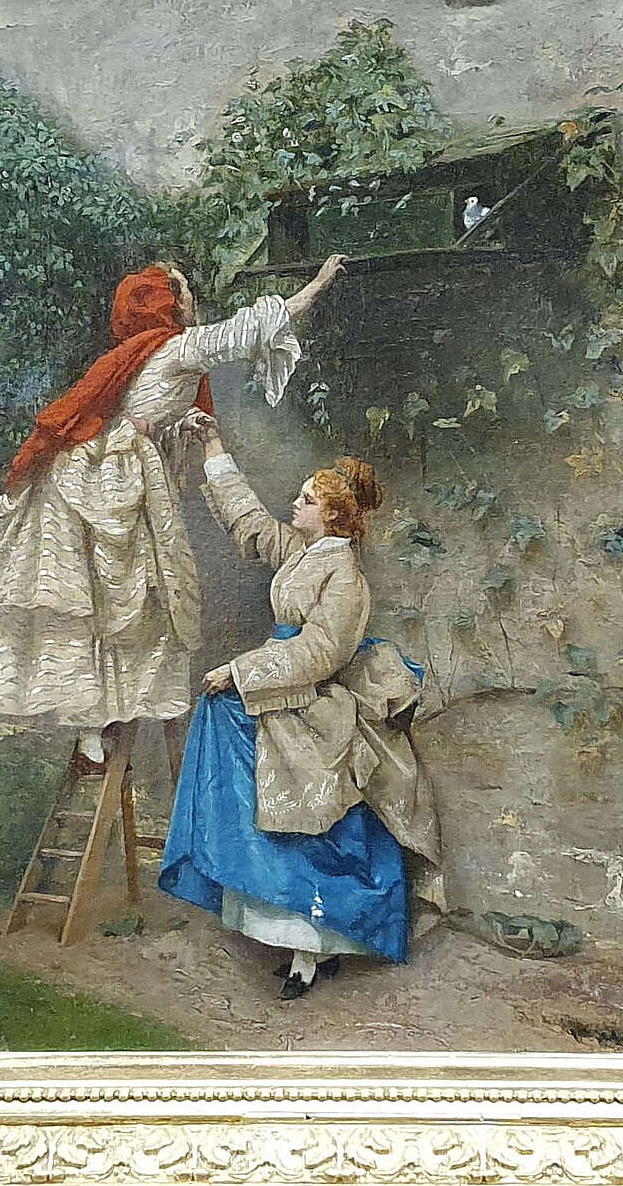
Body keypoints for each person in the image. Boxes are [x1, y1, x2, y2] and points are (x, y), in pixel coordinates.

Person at [0, 256, 346, 773]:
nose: (192, 298)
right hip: (109, 479)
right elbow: (250, 328)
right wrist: (317, 284)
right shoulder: (178, 347)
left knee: (113, 605)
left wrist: (180, 429)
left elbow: (148, 410)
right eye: (184, 290)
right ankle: (94, 731)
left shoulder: (143, 354)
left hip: (103, 473)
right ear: (170, 303)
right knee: (117, 603)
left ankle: (94, 733)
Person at [159, 426, 446, 999]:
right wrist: (214, 450)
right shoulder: (302, 553)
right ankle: (294, 938)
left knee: (306, 819)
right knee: (236, 758)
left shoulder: (346, 578)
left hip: (314, 704)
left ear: (333, 516)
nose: (295, 503)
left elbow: (320, 653)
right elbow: (250, 523)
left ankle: (310, 954)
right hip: (281, 688)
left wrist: (240, 670)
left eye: (307, 499)